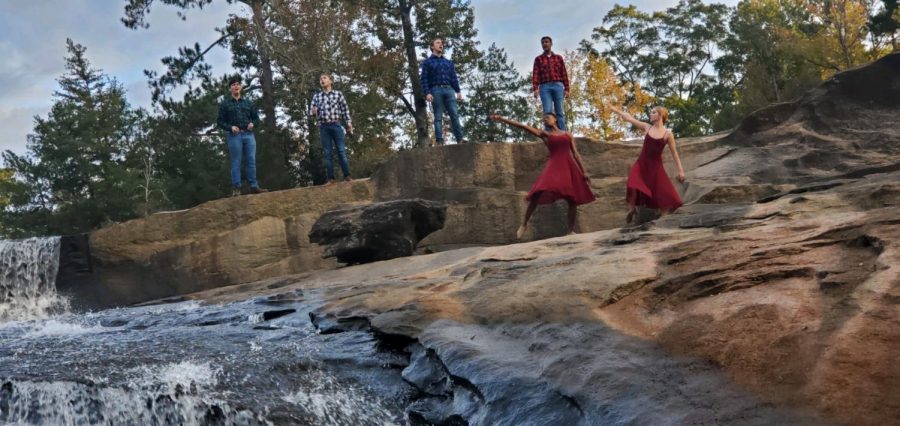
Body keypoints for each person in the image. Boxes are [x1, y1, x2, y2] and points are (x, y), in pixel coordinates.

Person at [489, 113, 595, 239]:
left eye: (547, 117)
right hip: (554, 166)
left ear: (555, 119)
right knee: (538, 192)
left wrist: (584, 171)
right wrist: (502, 119)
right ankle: (524, 224)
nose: (545, 120)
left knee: (572, 200)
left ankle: (570, 230)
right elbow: (523, 127)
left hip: (569, 166)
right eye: (544, 119)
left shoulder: (567, 134)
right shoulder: (545, 134)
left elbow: (576, 154)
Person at [608, 104, 685, 223]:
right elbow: (629, 118)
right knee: (632, 183)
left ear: (660, 115)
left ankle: (664, 219)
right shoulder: (647, 127)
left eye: (653, 112)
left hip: (656, 167)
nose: (650, 114)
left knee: (662, 192)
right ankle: (631, 210)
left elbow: (674, 153)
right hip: (641, 164)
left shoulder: (667, 135)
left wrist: (680, 170)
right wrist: (615, 110)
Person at [217, 78, 266, 196]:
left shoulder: (248, 103)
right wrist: (230, 128)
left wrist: (253, 124)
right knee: (236, 162)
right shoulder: (225, 104)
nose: (236, 86)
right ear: (230, 89)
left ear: (241, 87)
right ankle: (236, 188)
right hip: (234, 136)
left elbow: (257, 119)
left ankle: (254, 186)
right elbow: (219, 121)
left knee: (251, 161)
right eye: (233, 85)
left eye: (238, 84)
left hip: (248, 135)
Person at [420, 38, 466, 145]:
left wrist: (458, 91)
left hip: (449, 89)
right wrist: (427, 93)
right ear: (432, 47)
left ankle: (460, 139)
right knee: (438, 117)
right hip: (436, 90)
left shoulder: (448, 63)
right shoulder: (427, 62)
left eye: (442, 43)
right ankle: (439, 141)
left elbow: (453, 77)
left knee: (454, 114)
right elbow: (424, 79)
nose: (441, 45)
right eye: (438, 43)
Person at [310, 73, 353, 185]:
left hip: (336, 125)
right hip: (324, 127)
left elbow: (345, 110)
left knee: (341, 151)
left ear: (330, 81)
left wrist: (348, 123)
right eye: (320, 79)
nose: (322, 80)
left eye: (324, 78)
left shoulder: (338, 94)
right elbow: (312, 112)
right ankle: (331, 179)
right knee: (327, 153)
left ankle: (347, 176)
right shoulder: (317, 96)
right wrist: (314, 112)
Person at [532, 36, 570, 131]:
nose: (544, 44)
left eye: (546, 42)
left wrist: (567, 88)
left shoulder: (558, 58)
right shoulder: (538, 59)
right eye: (543, 43)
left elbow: (564, 73)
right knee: (547, 111)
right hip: (545, 87)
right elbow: (535, 74)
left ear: (551, 44)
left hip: (558, 85)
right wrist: (535, 88)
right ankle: (548, 134)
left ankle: (562, 133)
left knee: (560, 111)